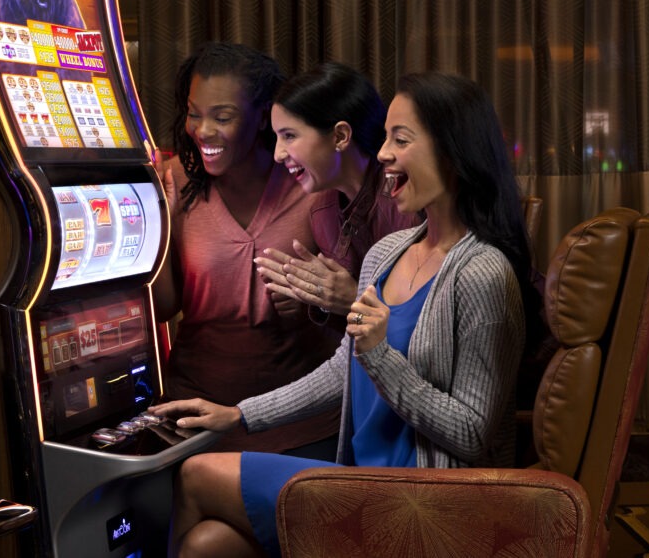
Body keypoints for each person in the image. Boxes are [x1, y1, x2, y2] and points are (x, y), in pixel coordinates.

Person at [150, 71, 541, 557]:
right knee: (209, 545)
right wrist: (238, 415)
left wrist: (380, 354)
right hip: (361, 478)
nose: (383, 154)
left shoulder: (483, 272)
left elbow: (471, 433)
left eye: (401, 140)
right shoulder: (387, 253)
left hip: (425, 500)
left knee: (195, 474)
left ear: (452, 152)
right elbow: (343, 371)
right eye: (386, 138)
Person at [152, 41, 342, 457]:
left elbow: (356, 307)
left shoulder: (309, 183)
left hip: (299, 424)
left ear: (262, 117)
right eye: (194, 114)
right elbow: (164, 308)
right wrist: (159, 229)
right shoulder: (174, 182)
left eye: (223, 117)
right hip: (195, 419)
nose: (203, 131)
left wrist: (311, 303)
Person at [254, 62, 418, 324]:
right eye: (277, 138)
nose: (278, 154)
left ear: (340, 136)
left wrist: (352, 300)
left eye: (289, 136)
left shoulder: (407, 202)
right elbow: (348, 332)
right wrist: (313, 300)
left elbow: (424, 327)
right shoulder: (323, 212)